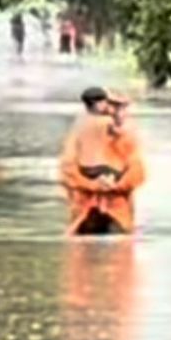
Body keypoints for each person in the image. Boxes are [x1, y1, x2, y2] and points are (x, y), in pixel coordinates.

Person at [59, 86, 146, 234]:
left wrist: (116, 186)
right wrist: (94, 185)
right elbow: (67, 172)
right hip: (87, 206)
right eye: (113, 106)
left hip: (116, 207)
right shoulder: (81, 132)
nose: (118, 112)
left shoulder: (127, 135)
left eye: (122, 108)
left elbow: (138, 172)